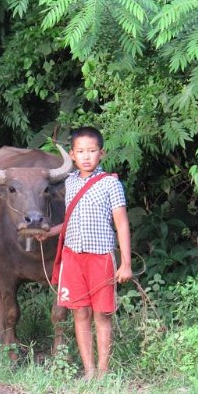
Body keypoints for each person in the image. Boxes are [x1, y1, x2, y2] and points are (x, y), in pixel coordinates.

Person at [36, 127, 132, 379]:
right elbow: (69, 220)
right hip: (73, 256)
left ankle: (103, 371)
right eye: (81, 152)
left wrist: (126, 264)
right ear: (72, 155)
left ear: (102, 153)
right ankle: (89, 371)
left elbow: (121, 224)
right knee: (80, 312)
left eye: (92, 151)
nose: (86, 156)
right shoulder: (69, 182)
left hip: (100, 257)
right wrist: (49, 232)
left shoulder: (111, 183)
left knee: (102, 313)